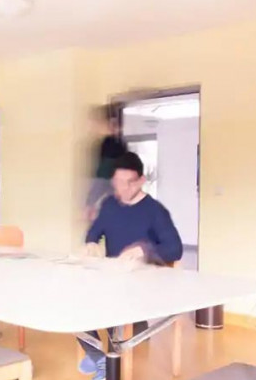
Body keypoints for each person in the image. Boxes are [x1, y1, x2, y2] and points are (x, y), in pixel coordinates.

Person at [78, 151, 183, 380]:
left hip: (144, 286)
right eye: (116, 183)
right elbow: (94, 232)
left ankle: (105, 360)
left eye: (127, 184)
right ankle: (100, 360)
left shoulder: (155, 211)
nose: (121, 190)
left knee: (106, 312)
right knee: (75, 301)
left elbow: (175, 249)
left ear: (141, 181)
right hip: (114, 279)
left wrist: (143, 250)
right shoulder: (109, 204)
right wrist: (90, 244)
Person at [85, 112, 127, 221]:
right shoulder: (106, 142)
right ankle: (90, 212)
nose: (114, 128)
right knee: (94, 196)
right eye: (112, 125)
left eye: (116, 126)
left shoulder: (121, 144)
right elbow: (100, 159)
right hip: (104, 174)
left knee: (115, 198)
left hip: (113, 176)